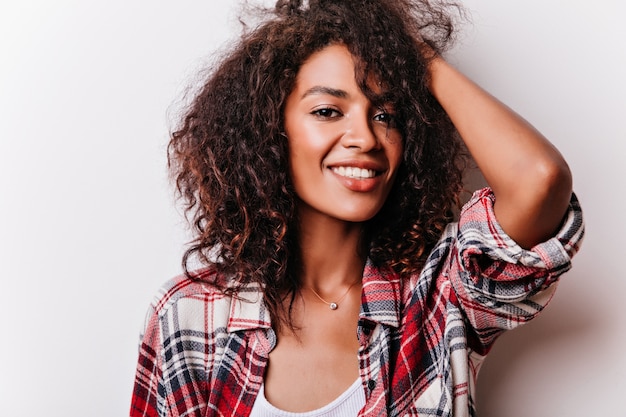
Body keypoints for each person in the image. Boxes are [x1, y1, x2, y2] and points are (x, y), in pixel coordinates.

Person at [130, 0, 584, 416]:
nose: (366, 138)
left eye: (386, 115)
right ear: (269, 128)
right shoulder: (191, 315)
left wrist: (410, 54)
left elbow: (539, 181)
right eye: (328, 111)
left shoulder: (435, 299)